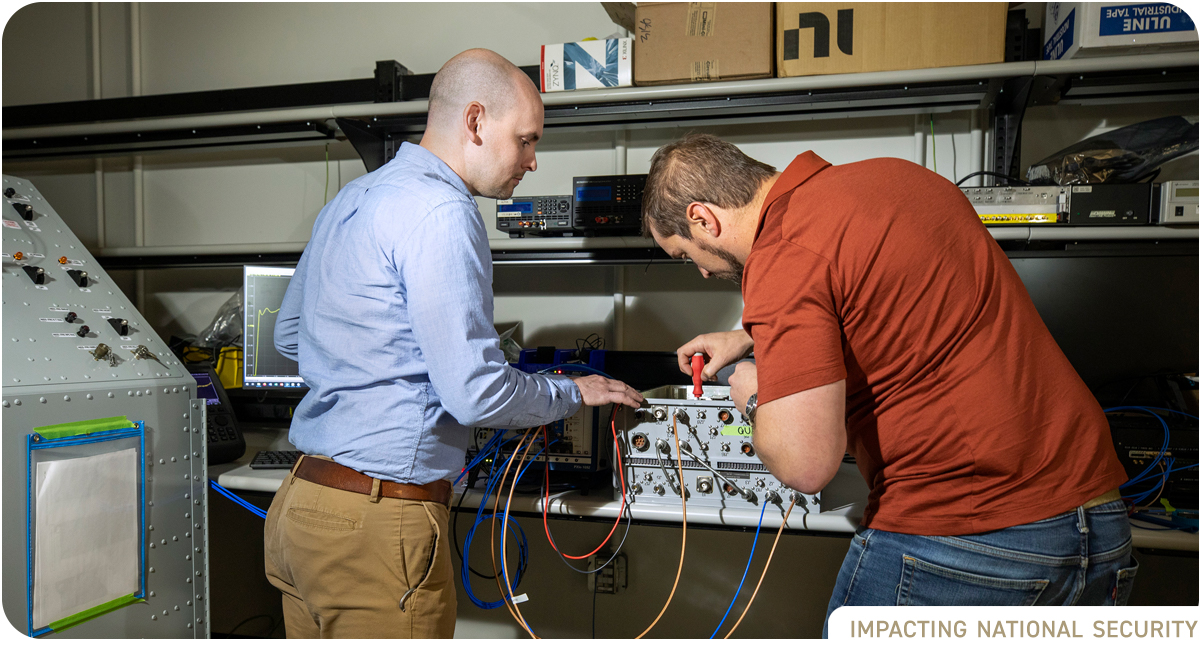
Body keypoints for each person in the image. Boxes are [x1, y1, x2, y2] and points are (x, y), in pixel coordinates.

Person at [641, 134, 1135, 633]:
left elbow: (804, 465)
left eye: (686, 254)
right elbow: (887, 303)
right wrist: (749, 337)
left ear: (704, 218)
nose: (702, 272)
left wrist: (756, 397)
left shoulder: (783, 252)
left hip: (970, 534)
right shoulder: (896, 178)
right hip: (1096, 523)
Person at [264, 49, 644, 639]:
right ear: (475, 122)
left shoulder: (352, 199)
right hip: (378, 520)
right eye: (524, 140)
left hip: (301, 508)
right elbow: (475, 395)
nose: (533, 160)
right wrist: (571, 393)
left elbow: (289, 335)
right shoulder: (442, 210)